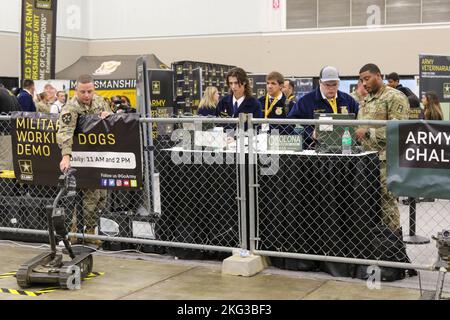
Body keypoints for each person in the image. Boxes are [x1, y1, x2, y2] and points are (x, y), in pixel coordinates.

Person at [56, 74, 112, 247]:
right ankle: (76, 232)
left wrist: (109, 115)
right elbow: (65, 132)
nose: (87, 95)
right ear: (76, 90)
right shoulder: (70, 107)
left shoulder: (100, 101)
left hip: (100, 157)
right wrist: (66, 156)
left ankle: (89, 232)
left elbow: (112, 120)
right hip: (81, 158)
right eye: (83, 92)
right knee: (89, 197)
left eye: (90, 91)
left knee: (102, 195)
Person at [355, 63, 410, 232]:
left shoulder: (395, 97)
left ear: (378, 75)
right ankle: (376, 243)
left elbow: (399, 130)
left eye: (367, 78)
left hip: (387, 161)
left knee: (387, 203)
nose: (364, 83)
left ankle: (392, 244)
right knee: (368, 203)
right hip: (367, 160)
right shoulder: (367, 100)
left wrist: (368, 132)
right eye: (361, 80)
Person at [288, 66, 359, 149]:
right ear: (320, 82)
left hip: (344, 148)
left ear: (338, 83)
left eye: (334, 84)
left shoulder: (347, 100)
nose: (331, 88)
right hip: (316, 149)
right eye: (327, 85)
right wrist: (310, 133)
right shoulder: (306, 101)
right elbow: (291, 123)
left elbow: (359, 118)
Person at [0, 84, 21, 171]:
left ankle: (3, 184)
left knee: (4, 164)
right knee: (9, 162)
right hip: (12, 131)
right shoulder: (9, 93)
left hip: (4, 132)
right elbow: (20, 110)